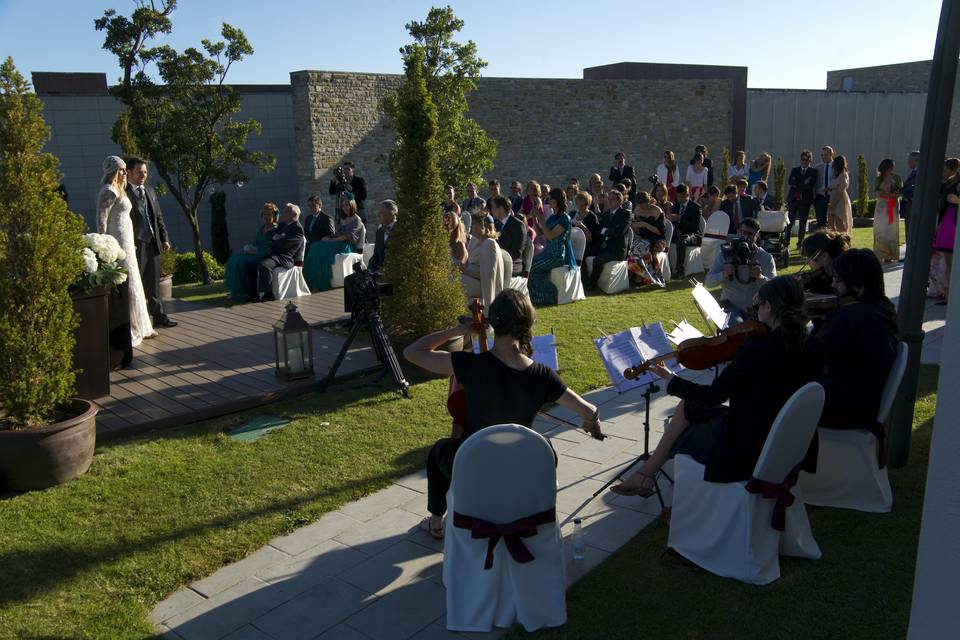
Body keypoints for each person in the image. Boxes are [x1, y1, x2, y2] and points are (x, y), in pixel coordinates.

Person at [404, 289, 603, 538]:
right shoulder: (543, 375)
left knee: (439, 452)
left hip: (474, 469)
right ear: (528, 325)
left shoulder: (470, 365)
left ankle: (435, 521)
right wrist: (591, 421)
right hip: (520, 468)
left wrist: (458, 332)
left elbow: (412, 353)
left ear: (491, 323)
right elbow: (589, 409)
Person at [611, 276, 824, 496]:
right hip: (787, 438)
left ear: (769, 306)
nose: (756, 312)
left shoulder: (757, 350)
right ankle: (645, 476)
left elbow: (713, 396)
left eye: (757, 306)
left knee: (685, 428)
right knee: (687, 407)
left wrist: (671, 380)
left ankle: (656, 483)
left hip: (749, 446)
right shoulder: (814, 345)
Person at [816, 249, 899, 435]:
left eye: (837, 280)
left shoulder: (851, 315)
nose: (832, 285)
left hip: (845, 409)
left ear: (859, 286)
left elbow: (813, 355)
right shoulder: (885, 308)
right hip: (865, 403)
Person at [98, 156, 157, 345]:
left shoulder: (119, 190)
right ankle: (130, 326)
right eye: (122, 170)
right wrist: (106, 245)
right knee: (127, 282)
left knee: (135, 281)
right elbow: (102, 221)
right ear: (114, 171)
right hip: (118, 241)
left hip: (128, 240)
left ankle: (142, 325)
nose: (124, 173)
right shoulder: (108, 191)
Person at [125, 156, 176, 329]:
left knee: (153, 283)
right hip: (135, 245)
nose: (143, 175)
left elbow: (158, 217)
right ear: (129, 172)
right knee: (136, 284)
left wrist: (164, 238)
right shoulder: (123, 192)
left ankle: (160, 317)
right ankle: (137, 320)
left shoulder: (150, 191)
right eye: (139, 172)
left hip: (152, 243)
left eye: (145, 172)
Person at [705, 217, 776, 324]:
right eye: (743, 232)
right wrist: (723, 273)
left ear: (757, 235)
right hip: (730, 306)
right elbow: (708, 282)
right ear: (738, 231)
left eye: (750, 234)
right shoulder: (725, 255)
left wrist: (760, 277)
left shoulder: (765, 257)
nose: (745, 237)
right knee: (736, 326)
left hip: (756, 309)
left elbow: (775, 290)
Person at [244, 202, 305, 302]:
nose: (283, 214)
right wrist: (277, 238)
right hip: (273, 254)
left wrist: (276, 239)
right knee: (249, 265)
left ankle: (267, 294)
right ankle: (253, 294)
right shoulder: (282, 225)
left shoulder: (297, 228)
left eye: (286, 212)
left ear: (293, 215)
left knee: (264, 265)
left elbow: (285, 245)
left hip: (284, 257)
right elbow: (271, 238)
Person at [303, 196, 364, 291]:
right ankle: (310, 279)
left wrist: (332, 240)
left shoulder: (357, 220)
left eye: (347, 205)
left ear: (352, 205)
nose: (345, 207)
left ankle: (319, 281)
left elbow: (347, 236)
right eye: (343, 205)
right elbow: (336, 234)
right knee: (316, 246)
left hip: (347, 245)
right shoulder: (343, 219)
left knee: (317, 247)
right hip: (338, 242)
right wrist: (329, 238)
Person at [528, 188, 576, 306]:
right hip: (547, 253)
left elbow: (550, 236)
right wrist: (534, 217)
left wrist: (540, 216)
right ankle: (538, 298)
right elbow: (540, 233)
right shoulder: (553, 217)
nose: (548, 201)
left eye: (550, 199)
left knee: (532, 266)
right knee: (529, 265)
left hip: (557, 256)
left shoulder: (565, 218)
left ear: (557, 201)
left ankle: (549, 295)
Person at [224, 203, 279, 300]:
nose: (266, 217)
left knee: (243, 262)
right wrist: (250, 247)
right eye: (264, 214)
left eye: (269, 214)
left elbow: (271, 246)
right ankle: (240, 291)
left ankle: (249, 292)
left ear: (274, 216)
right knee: (235, 259)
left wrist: (257, 250)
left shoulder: (276, 229)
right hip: (255, 251)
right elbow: (256, 242)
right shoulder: (261, 228)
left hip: (265, 254)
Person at [460, 211, 507, 310]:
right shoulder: (475, 241)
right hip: (474, 281)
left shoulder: (489, 244)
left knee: (454, 281)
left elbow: (488, 277)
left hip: (482, 288)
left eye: (474, 224)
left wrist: (465, 270)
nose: (471, 226)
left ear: (483, 226)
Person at [586, 189, 632, 291]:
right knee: (586, 253)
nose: (609, 201)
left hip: (617, 249)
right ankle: (584, 280)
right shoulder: (606, 214)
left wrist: (606, 231)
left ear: (619, 201)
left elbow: (619, 232)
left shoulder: (625, 214)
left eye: (612, 199)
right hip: (605, 246)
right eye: (609, 199)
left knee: (599, 259)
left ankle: (591, 284)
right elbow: (598, 231)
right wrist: (608, 231)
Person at [934, 157, 960, 304]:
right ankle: (949, 296)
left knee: (952, 263)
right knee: (949, 262)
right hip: (949, 221)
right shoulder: (951, 181)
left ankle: (952, 297)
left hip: (954, 219)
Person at [629, 191, 667, 284]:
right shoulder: (637, 210)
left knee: (640, 249)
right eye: (640, 205)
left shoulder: (657, 211)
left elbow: (660, 232)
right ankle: (639, 274)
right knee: (631, 249)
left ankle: (640, 277)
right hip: (643, 238)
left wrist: (646, 225)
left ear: (648, 202)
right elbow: (638, 232)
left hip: (657, 239)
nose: (642, 208)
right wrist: (636, 227)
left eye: (644, 205)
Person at [799, 229, 851, 296]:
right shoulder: (825, 274)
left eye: (809, 257)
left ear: (824, 256)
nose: (807, 261)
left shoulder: (839, 280)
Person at [670, 184, 704, 278]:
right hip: (678, 233)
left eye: (681, 196)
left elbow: (694, 227)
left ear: (687, 195)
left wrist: (680, 218)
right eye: (678, 196)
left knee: (681, 239)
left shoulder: (695, 207)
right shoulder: (675, 207)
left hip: (693, 235)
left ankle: (679, 270)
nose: (679, 199)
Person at [787, 149, 819, 247]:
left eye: (806, 160)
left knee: (802, 223)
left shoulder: (813, 171)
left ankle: (800, 243)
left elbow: (810, 185)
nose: (804, 161)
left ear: (810, 160)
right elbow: (790, 182)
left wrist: (798, 183)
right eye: (802, 159)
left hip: (805, 201)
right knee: (789, 222)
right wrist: (804, 182)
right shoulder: (795, 170)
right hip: (793, 199)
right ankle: (786, 241)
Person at [872, 158, 902, 263]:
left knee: (891, 229)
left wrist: (890, 194)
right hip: (881, 206)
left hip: (892, 205)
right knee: (880, 228)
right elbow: (877, 193)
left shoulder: (897, 178)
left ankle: (891, 254)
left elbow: (899, 192)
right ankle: (880, 253)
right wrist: (886, 194)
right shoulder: (879, 179)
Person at [491, 195, 529, 278]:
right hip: (497, 261)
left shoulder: (518, 225)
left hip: (512, 265)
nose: (491, 210)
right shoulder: (496, 225)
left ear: (501, 208)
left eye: (493, 208)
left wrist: (499, 260)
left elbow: (517, 252)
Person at [368, 199, 397, 274]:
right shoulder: (380, 231)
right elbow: (376, 256)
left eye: (381, 212)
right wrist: (369, 270)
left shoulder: (400, 229)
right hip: (379, 272)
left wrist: (386, 271)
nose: (378, 215)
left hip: (394, 272)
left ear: (392, 213)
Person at [825, 155, 853, 233]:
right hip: (832, 197)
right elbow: (833, 186)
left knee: (839, 223)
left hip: (840, 200)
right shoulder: (834, 174)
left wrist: (833, 203)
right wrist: (828, 189)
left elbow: (840, 191)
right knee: (830, 222)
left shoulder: (843, 175)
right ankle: (832, 240)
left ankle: (843, 240)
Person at [572, 191, 601, 259]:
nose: (580, 207)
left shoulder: (592, 217)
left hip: (586, 246)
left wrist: (583, 227)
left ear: (587, 204)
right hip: (572, 243)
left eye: (582, 205)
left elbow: (591, 239)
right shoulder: (572, 214)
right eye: (578, 204)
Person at [901, 151, 920, 242]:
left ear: (916, 161)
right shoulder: (913, 171)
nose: (908, 162)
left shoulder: (919, 173)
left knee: (911, 227)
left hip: (912, 203)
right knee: (908, 227)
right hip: (909, 203)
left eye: (910, 160)